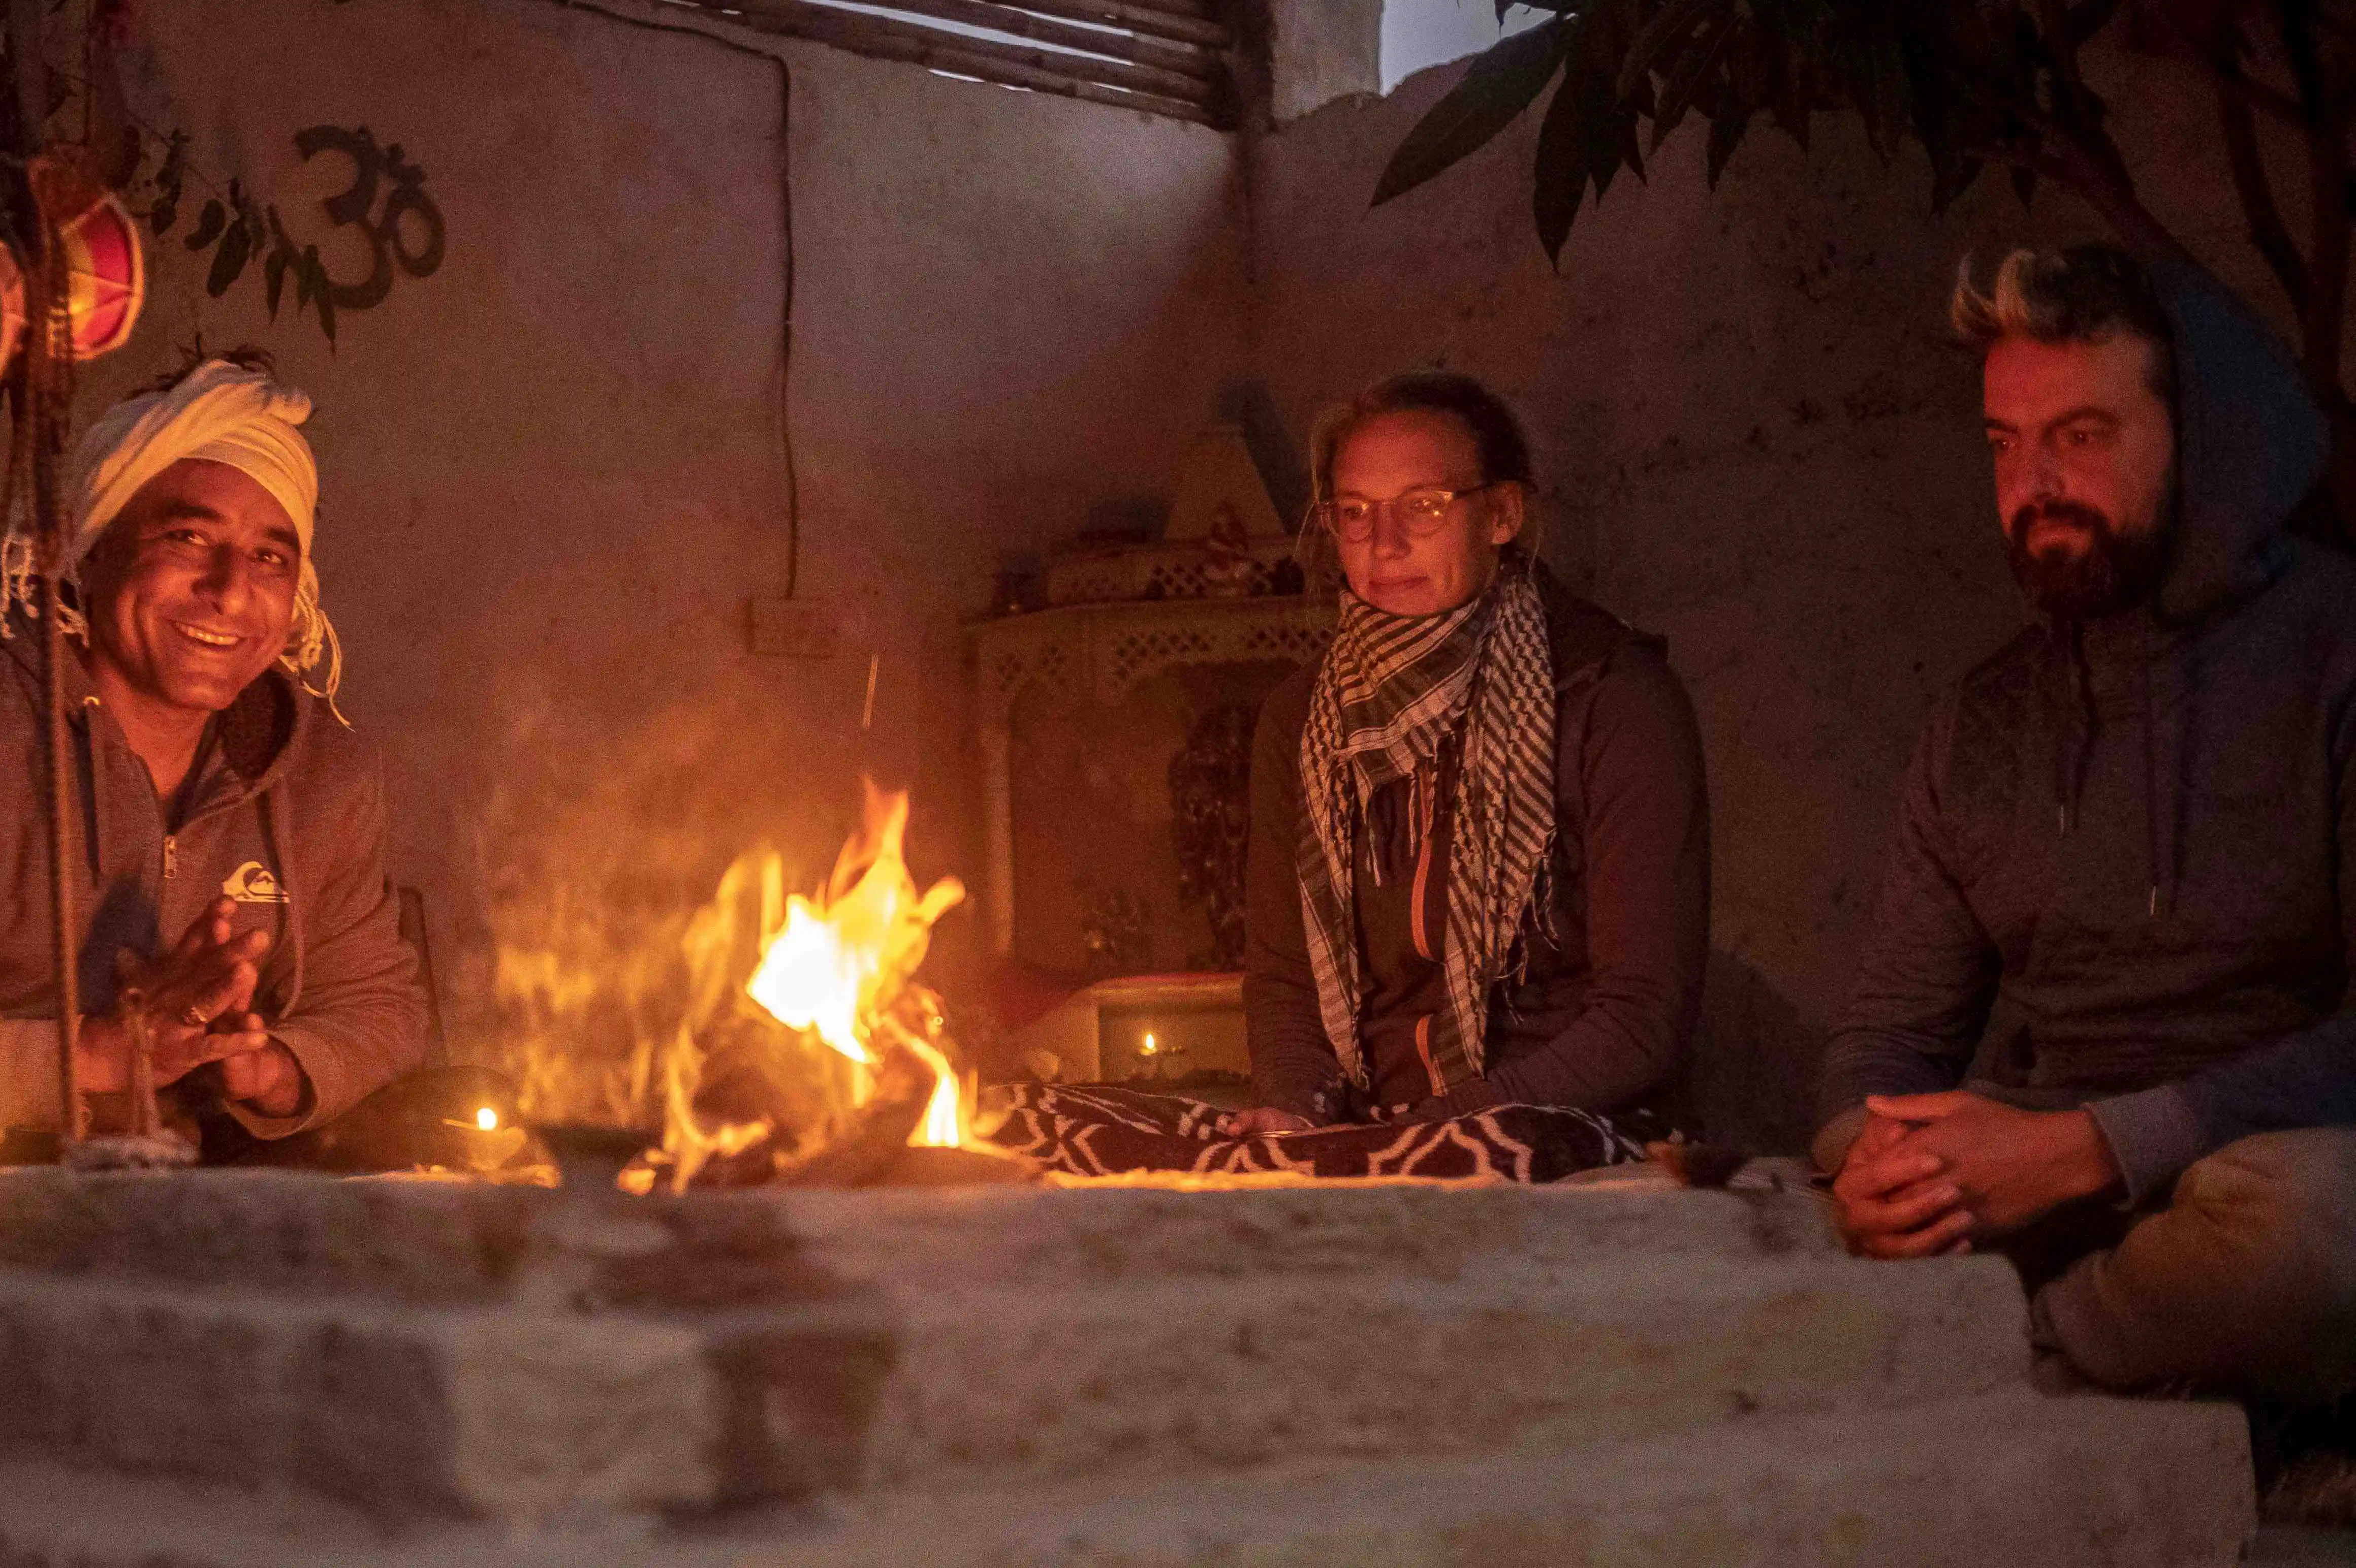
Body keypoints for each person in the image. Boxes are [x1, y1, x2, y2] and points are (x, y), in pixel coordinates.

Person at [0, 353, 438, 1263]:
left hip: (199, 1156)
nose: (229, 590)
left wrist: (262, 1067)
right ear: (89, 552)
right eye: (187, 538)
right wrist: (96, 1054)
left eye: (268, 556)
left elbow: (377, 1005)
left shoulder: (320, 770)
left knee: (442, 1129)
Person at [1815, 244, 2356, 1400]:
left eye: (2082, 435)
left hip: (2253, 1168)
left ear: (2199, 441)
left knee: (2314, 1229)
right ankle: (2099, 1347)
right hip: (2029, 1189)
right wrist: (1875, 1160)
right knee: (1744, 1214)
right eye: (2004, 444)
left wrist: (2096, 1148)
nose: (2034, 483)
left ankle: (2025, 1355)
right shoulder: (1984, 719)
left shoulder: (2334, 654)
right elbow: (1886, 1040)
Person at [990, 373, 1710, 1181]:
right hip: (1365, 1129)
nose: (1384, 543)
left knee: (1490, 1151)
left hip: (1551, 1122)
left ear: (1501, 515)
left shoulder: (1610, 698)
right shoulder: (1304, 715)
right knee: (1014, 1122)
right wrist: (1296, 1110)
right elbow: (1286, 977)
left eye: (1423, 507)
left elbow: (1639, 1018)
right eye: (1355, 512)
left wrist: (1437, 1126)